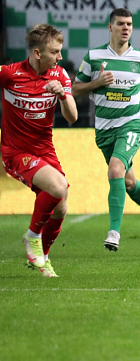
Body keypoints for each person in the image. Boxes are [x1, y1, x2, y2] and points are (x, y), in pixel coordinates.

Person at [72, 8, 140, 252]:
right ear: (110, 27)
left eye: (129, 24)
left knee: (115, 170)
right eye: (121, 24)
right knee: (128, 182)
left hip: (132, 123)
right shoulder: (94, 57)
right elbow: (74, 88)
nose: (126, 28)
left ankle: (114, 232)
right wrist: (97, 83)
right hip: (104, 129)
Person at [1, 24, 78, 277]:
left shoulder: (60, 76)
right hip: (15, 151)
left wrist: (62, 95)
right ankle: (32, 236)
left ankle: (42, 259)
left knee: (61, 206)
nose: (60, 57)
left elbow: (73, 117)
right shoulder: (10, 74)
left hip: (44, 150)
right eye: (54, 52)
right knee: (58, 187)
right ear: (37, 53)